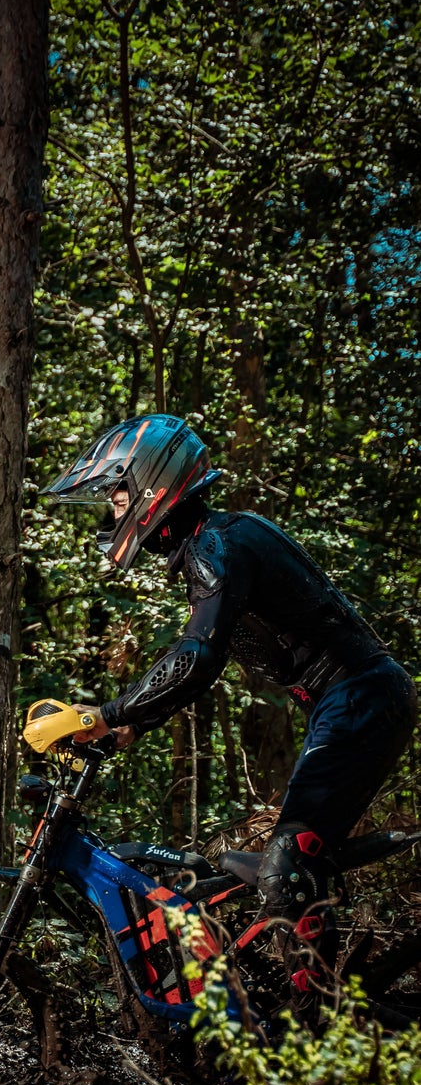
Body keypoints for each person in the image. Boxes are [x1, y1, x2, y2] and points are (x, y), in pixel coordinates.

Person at [43, 413, 417, 1006]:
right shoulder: (212, 545)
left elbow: (196, 656)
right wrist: (132, 723)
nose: (113, 515)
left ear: (151, 488)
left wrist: (109, 712)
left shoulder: (221, 543)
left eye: (117, 499)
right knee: (262, 865)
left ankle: (311, 1034)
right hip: (347, 702)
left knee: (290, 866)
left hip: (361, 697)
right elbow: (199, 665)